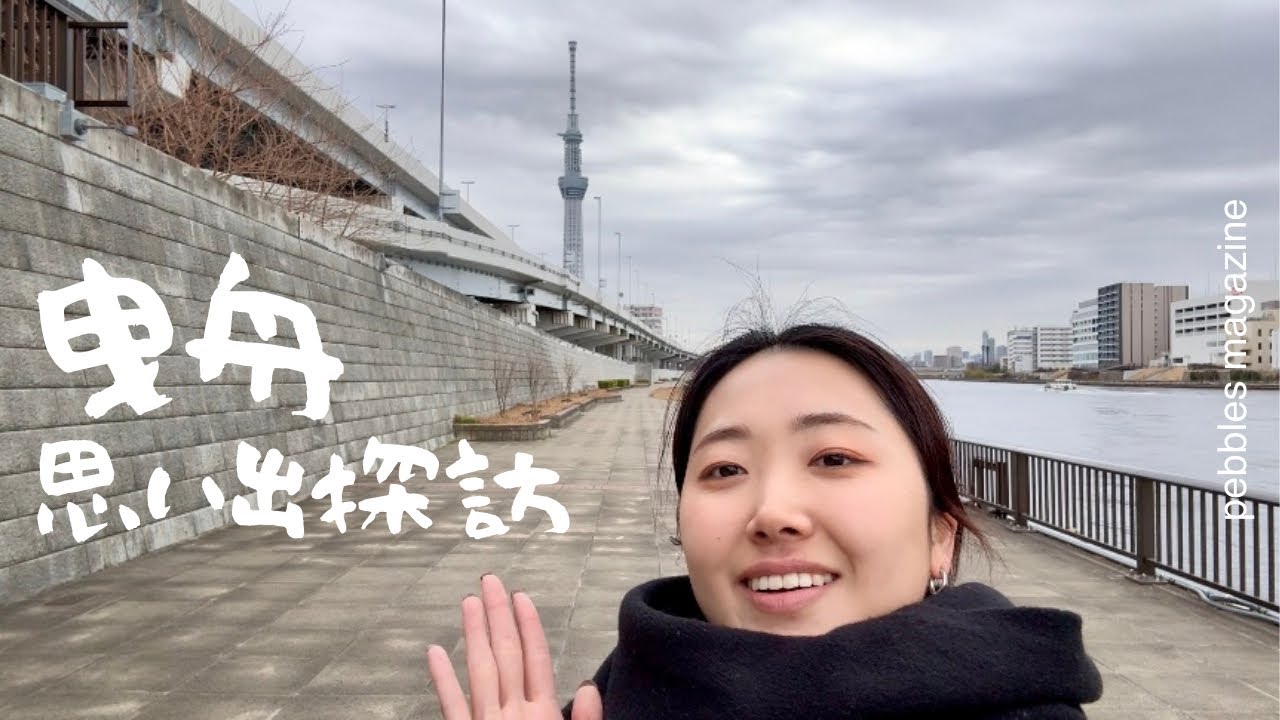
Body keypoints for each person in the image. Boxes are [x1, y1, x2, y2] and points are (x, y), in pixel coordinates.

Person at [426, 323, 1103, 719]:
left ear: (939, 535)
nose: (772, 512)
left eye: (834, 457)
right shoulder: (612, 700)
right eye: (723, 470)